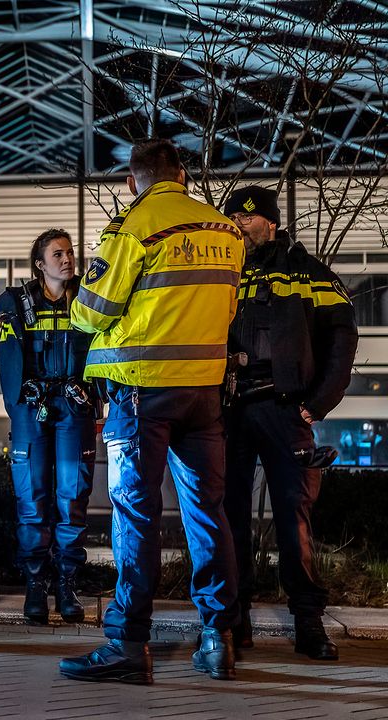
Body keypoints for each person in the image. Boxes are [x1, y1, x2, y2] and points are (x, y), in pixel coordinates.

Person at [59, 138, 244, 684]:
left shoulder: (133, 228)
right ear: (182, 175)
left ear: (131, 182)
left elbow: (90, 314)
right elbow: (227, 308)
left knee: (135, 514)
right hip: (204, 392)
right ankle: (217, 639)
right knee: (208, 512)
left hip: (141, 393)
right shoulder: (225, 230)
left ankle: (127, 644)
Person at [221, 185, 358, 661]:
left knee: (293, 523)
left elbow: (342, 336)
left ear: (272, 223)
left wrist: (318, 403)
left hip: (286, 411)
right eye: (233, 216)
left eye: (248, 217)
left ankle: (308, 625)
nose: (239, 222)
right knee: (227, 520)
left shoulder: (308, 272)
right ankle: (233, 624)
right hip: (230, 410)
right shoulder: (221, 270)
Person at [0, 229, 97, 625]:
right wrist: (19, 410)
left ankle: (67, 584)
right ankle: (35, 586)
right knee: (32, 500)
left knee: (72, 499)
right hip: (30, 410)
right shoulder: (15, 303)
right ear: (39, 264)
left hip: (75, 409)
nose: (67, 259)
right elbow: (7, 363)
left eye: (70, 253)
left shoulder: (89, 299)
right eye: (58, 254)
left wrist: (96, 398)